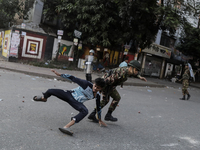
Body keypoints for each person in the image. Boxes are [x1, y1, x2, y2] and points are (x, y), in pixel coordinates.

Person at [33, 69, 106, 136]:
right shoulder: (86, 84)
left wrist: (99, 119)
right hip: (69, 95)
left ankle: (66, 127)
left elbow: (98, 107)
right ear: (93, 83)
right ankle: (44, 98)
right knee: (50, 91)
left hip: (76, 102)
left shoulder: (98, 96)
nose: (95, 88)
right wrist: (59, 75)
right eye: (95, 86)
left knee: (85, 111)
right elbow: (73, 78)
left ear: (101, 89)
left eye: (98, 88)